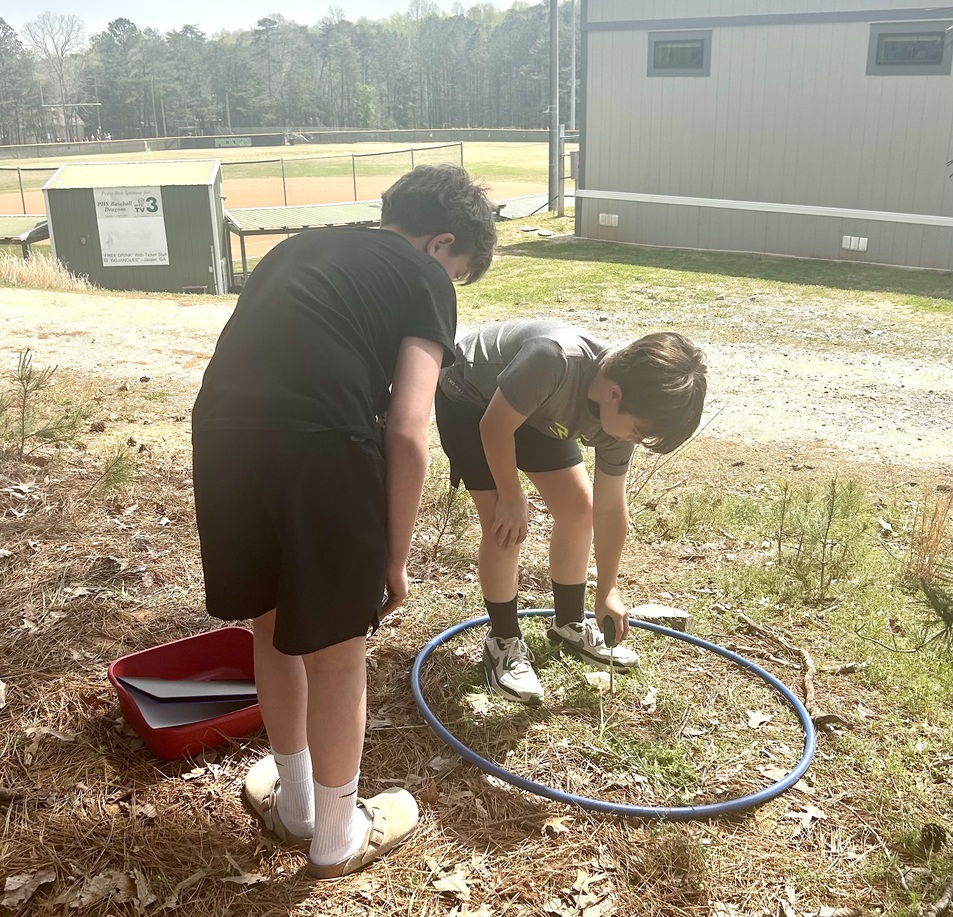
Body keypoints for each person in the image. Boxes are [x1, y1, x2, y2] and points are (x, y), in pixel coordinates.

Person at [191, 164, 497, 878]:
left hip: (223, 437)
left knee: (271, 625)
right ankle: (336, 839)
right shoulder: (425, 278)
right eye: (457, 268)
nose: (450, 277)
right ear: (441, 244)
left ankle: (295, 804)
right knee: (337, 653)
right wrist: (394, 559)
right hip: (323, 448)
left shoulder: (298, 246)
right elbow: (408, 429)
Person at [435, 318, 707, 705]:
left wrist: (607, 589)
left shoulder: (622, 408)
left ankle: (569, 623)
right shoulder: (554, 360)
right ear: (613, 394)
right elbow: (495, 427)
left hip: (535, 409)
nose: (634, 440)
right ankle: (503, 641)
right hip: (470, 397)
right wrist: (511, 496)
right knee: (504, 523)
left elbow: (610, 510)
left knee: (579, 510)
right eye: (636, 432)